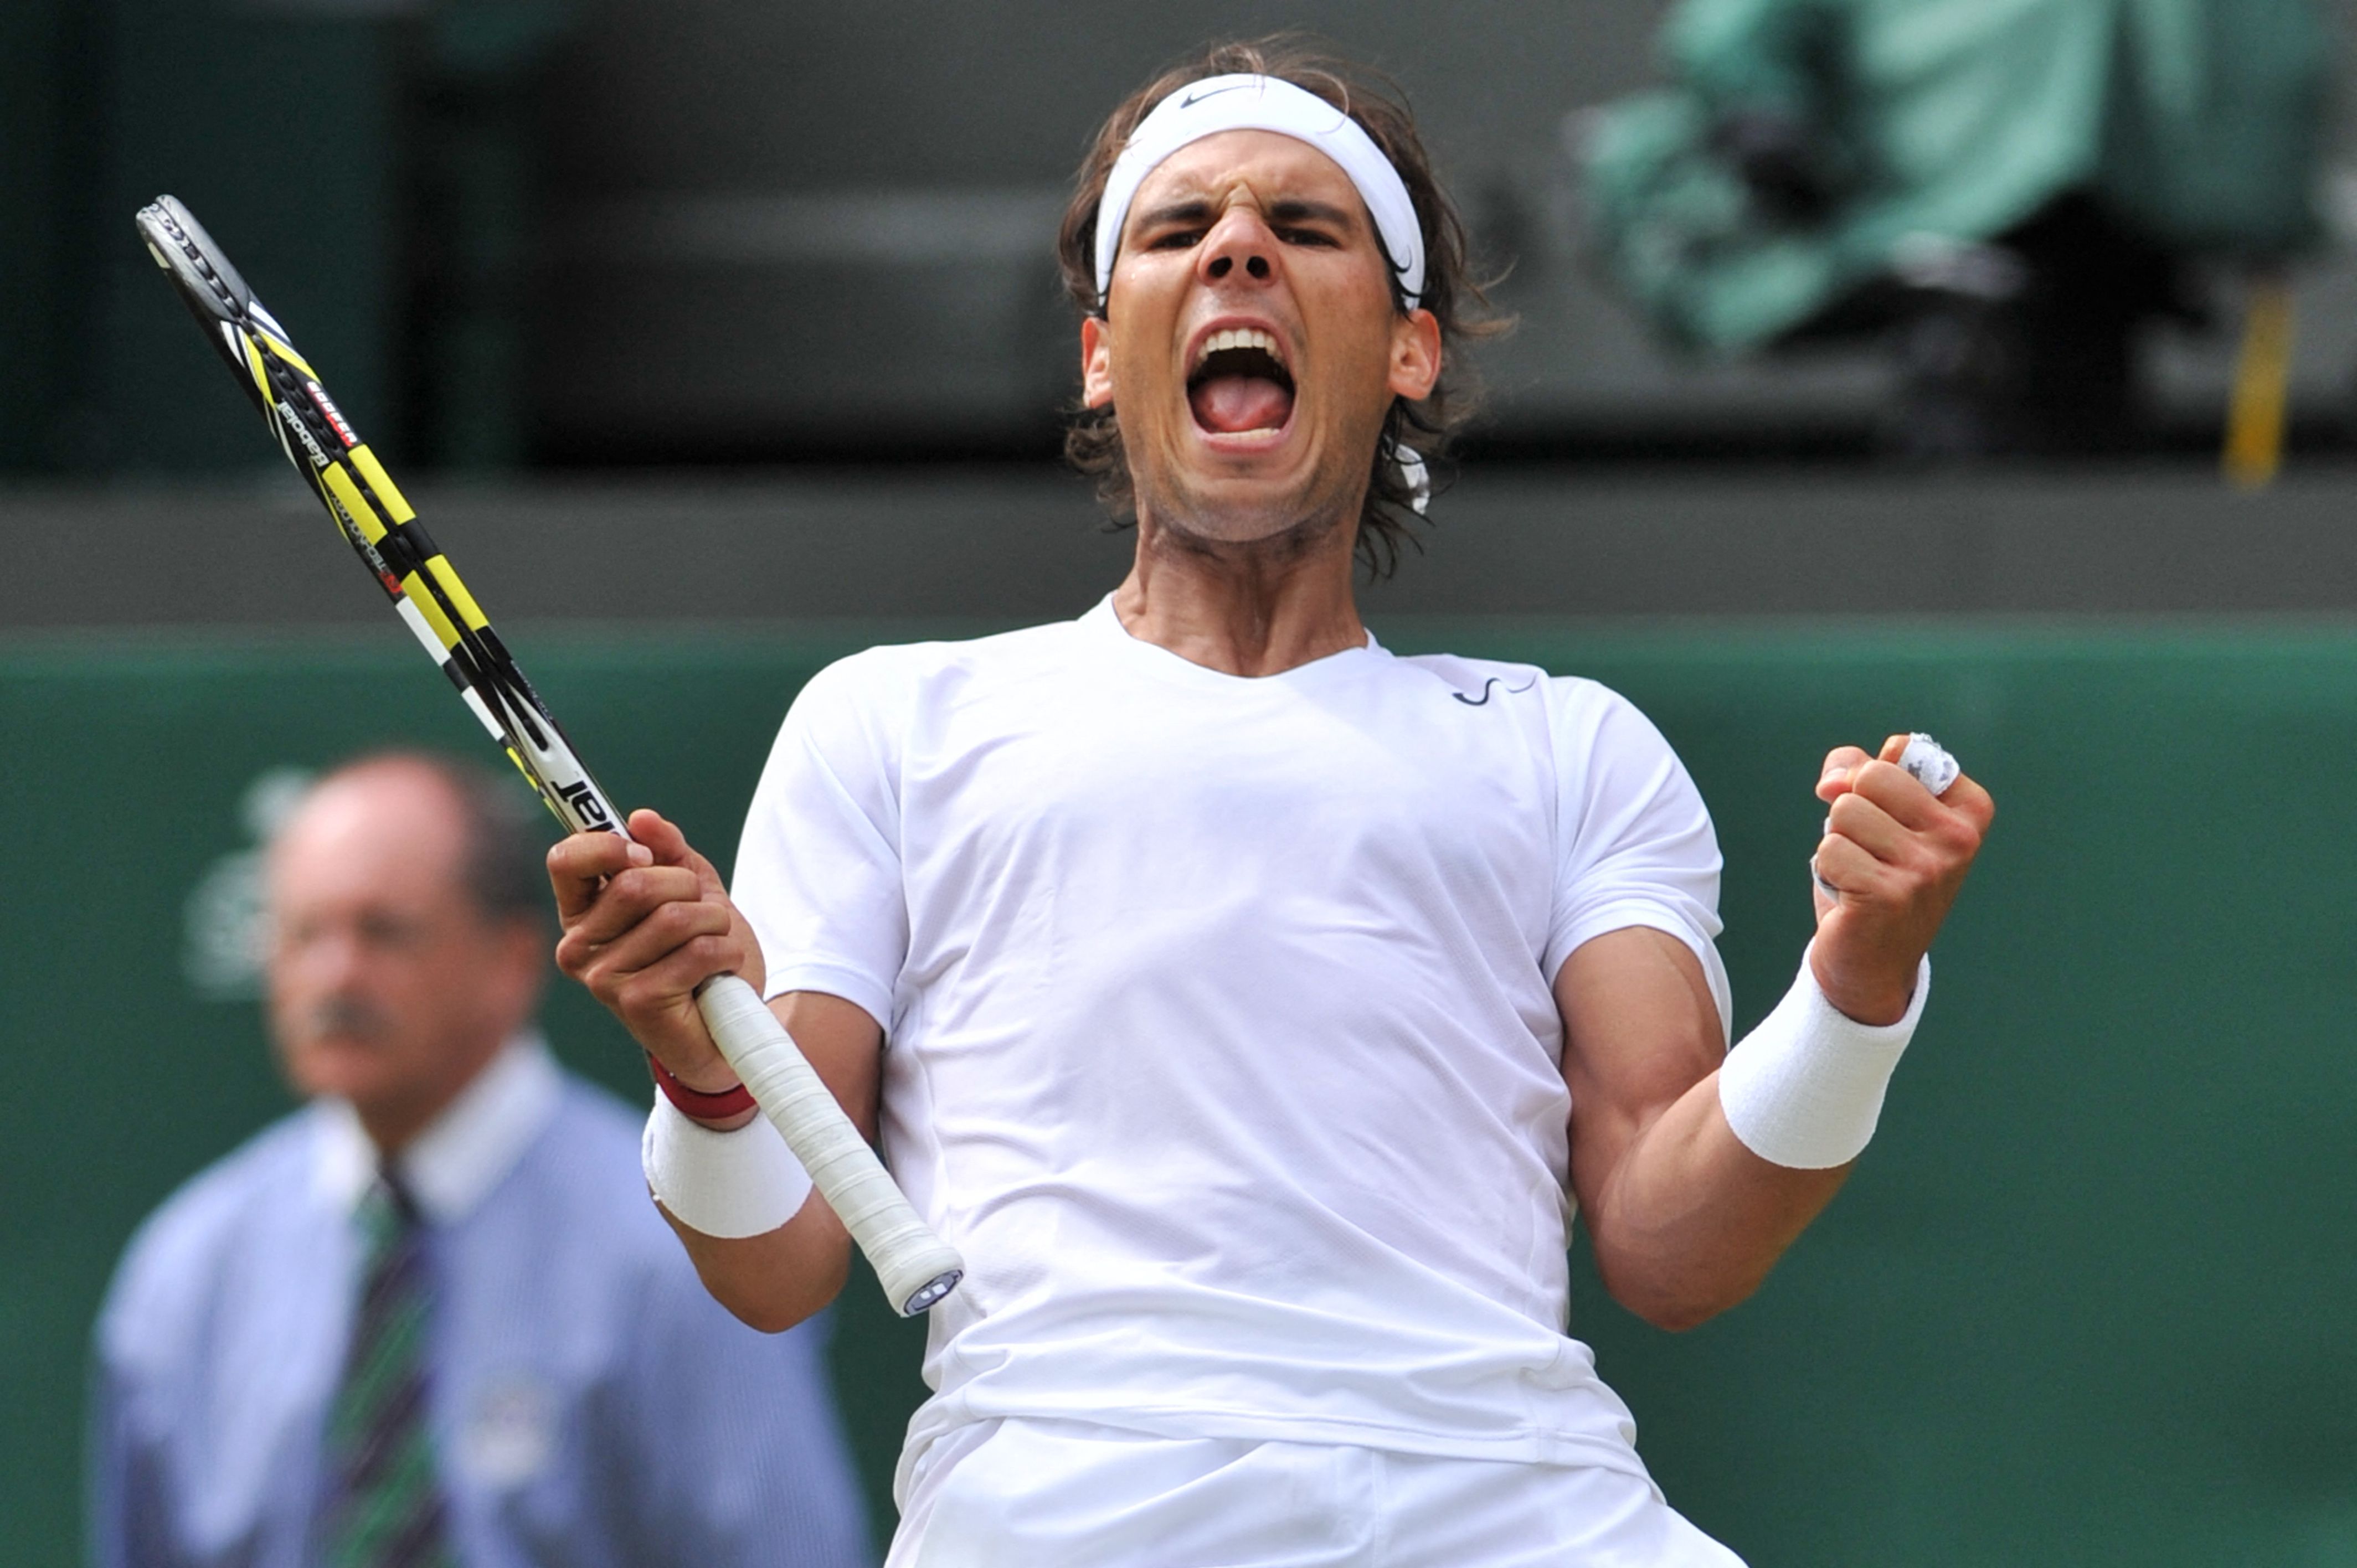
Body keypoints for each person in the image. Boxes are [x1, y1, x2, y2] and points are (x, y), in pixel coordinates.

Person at [548, 42, 1994, 1566]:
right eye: (1180, 231)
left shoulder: (1573, 751)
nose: (1239, 244)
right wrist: (700, 1070)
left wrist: (1858, 984)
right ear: (1105, 353)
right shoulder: (891, 726)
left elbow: (1671, 1243)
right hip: (1062, 1513)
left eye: (1305, 228)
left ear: (1411, 349)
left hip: (1515, 1510)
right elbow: (775, 1261)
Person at [90, 752, 871, 1568]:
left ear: (510, 959)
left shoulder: (680, 1246)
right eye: (302, 934)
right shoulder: (187, 1270)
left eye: (383, 931)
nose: (336, 976)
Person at [1582, 0, 2330, 455]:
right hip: (1916, 211)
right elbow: (1740, 34)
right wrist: (1765, 111)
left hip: (2107, 243)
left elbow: (2273, 66)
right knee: (1974, 371)